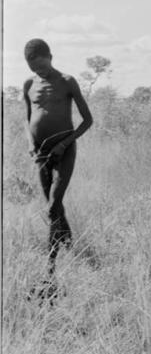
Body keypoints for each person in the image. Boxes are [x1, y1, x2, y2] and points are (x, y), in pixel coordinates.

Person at [22, 38, 93, 276]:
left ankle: (50, 266)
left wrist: (63, 144)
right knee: (55, 208)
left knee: (53, 206)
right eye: (34, 68)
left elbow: (87, 121)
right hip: (41, 153)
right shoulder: (29, 84)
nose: (39, 72)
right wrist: (31, 143)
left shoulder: (66, 81)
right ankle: (70, 244)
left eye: (42, 66)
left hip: (64, 150)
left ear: (50, 57)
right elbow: (28, 118)